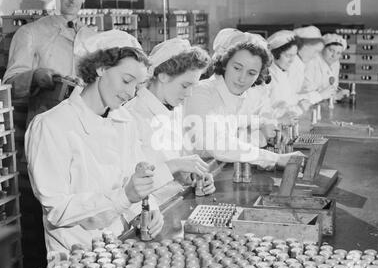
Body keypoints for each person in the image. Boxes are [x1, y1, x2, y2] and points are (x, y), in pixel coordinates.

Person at [25, 30, 173, 255]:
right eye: (126, 80)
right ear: (101, 68)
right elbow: (58, 209)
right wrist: (124, 197)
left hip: (123, 245)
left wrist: (148, 210)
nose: (130, 92)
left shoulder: (124, 121)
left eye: (137, 85)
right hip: (77, 256)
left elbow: (132, 182)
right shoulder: (51, 126)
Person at [184, 28, 304, 167]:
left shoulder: (240, 95)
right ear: (224, 64)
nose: (242, 78)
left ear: (258, 76)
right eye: (237, 68)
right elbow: (219, 144)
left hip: (215, 169)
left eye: (251, 73)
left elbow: (238, 127)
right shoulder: (201, 93)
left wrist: (265, 124)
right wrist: (276, 158)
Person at [124, 38, 216, 194]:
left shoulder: (173, 110)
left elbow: (180, 161)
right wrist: (175, 165)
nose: (189, 94)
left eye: (193, 87)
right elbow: (129, 186)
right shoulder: (131, 116)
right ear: (163, 76)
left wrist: (195, 176)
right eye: (185, 85)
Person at [3, 0, 96, 126]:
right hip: (46, 126)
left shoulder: (93, 38)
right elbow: (10, 85)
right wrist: (34, 77)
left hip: (85, 125)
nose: (73, 0)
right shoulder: (30, 33)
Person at [288, 25, 335, 105]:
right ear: (304, 46)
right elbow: (288, 99)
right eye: (315, 51)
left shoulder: (300, 64)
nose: (315, 56)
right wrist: (319, 95)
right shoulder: (291, 65)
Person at [303, 33, 350, 100]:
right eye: (331, 50)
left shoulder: (336, 63)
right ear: (323, 48)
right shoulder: (312, 61)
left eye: (338, 53)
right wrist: (333, 97)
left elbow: (333, 87)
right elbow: (306, 91)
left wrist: (339, 93)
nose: (334, 56)